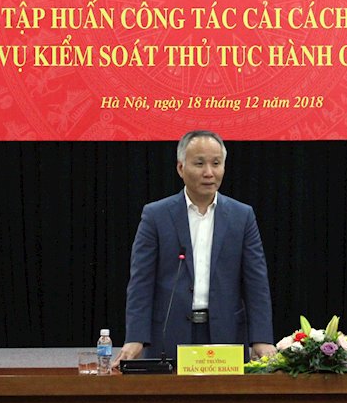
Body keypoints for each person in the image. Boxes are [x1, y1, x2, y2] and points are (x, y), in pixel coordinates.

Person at [116, 131, 276, 364]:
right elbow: (141, 282)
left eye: (216, 163)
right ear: (181, 168)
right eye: (199, 164)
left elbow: (256, 283)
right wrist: (136, 337)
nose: (209, 172)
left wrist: (261, 338)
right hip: (169, 334)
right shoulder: (156, 215)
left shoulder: (242, 216)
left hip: (226, 334)